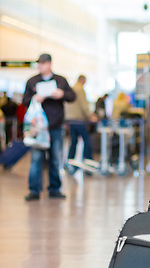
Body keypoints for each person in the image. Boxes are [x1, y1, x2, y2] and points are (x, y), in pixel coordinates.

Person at [22, 54, 76, 201]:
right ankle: (34, 190)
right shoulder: (32, 81)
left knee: (55, 159)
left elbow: (72, 96)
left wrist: (62, 94)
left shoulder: (60, 80)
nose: (40, 66)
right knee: (36, 159)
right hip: (38, 128)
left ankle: (54, 189)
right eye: (39, 63)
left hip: (56, 126)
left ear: (50, 64)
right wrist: (34, 98)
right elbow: (24, 100)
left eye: (43, 63)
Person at [65, 75, 96, 171]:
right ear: (83, 80)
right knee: (87, 140)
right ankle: (88, 162)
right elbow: (84, 105)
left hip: (70, 120)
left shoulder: (71, 88)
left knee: (73, 142)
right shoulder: (80, 89)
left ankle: (70, 162)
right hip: (79, 120)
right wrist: (90, 116)